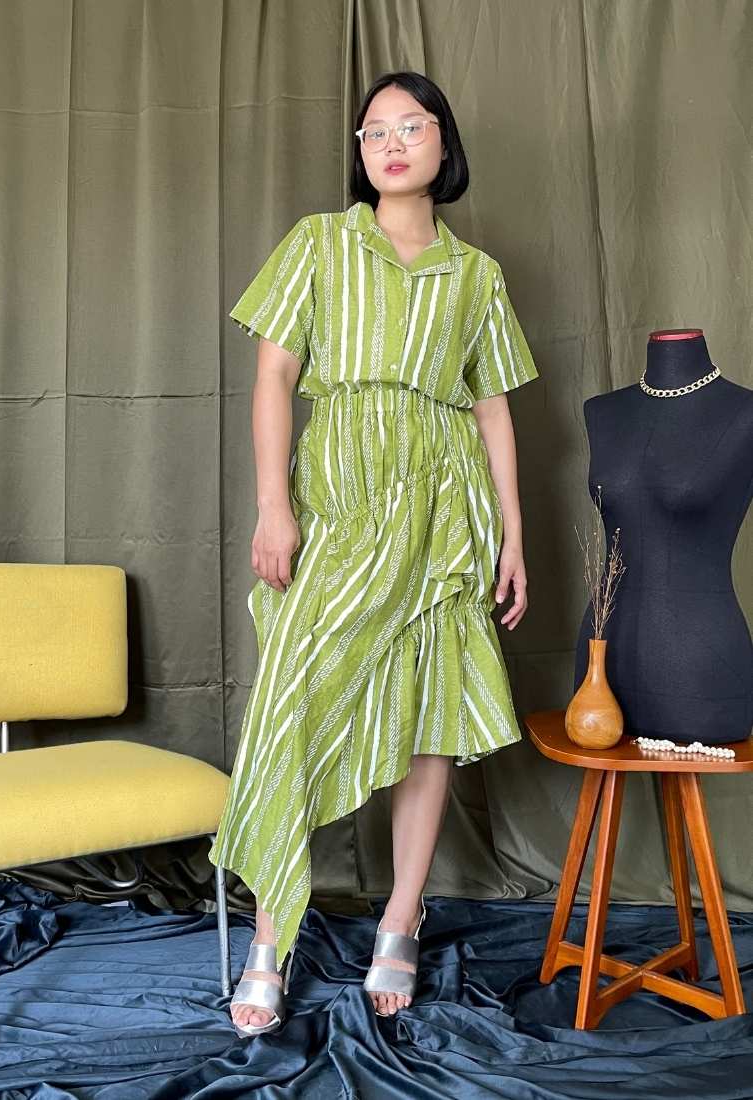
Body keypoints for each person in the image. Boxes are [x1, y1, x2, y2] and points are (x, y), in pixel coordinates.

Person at [208, 69, 539, 1037]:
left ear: (444, 143)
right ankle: (273, 929)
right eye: (374, 132)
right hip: (340, 500)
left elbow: (492, 407)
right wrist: (274, 506)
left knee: (430, 709)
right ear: (360, 153)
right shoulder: (319, 242)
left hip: (443, 510)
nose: (391, 144)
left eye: (411, 126)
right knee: (291, 701)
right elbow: (274, 376)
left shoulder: (476, 275)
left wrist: (513, 532)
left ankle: (401, 915)